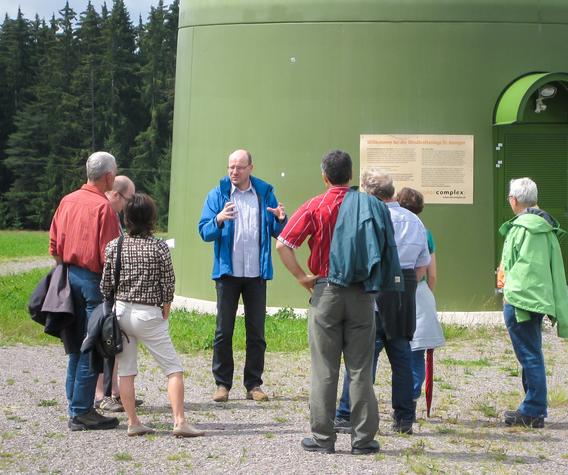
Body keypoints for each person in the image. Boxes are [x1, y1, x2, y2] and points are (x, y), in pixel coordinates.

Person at [276, 151, 401, 454]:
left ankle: (322, 438)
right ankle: (363, 439)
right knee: (360, 367)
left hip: (326, 290)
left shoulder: (315, 205)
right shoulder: (372, 204)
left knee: (324, 368)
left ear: (324, 176)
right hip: (362, 294)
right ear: (352, 174)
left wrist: (302, 277)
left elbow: (283, 244)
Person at [334, 169, 430, 435]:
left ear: (369, 194)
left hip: (374, 296)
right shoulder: (414, 221)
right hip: (403, 297)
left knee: (361, 360)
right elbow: (422, 264)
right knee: (402, 359)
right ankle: (404, 418)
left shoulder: (369, 217)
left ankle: (346, 414)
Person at [101, 193, 204, 437]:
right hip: (149, 314)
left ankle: (133, 422)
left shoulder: (114, 246)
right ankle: (179, 421)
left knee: (126, 371)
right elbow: (168, 284)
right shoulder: (159, 246)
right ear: (151, 218)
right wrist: (165, 311)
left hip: (121, 312)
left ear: (126, 217)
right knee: (173, 369)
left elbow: (105, 286)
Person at [198, 149, 287, 403]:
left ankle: (254, 385)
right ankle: (222, 385)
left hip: (256, 274)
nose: (233, 172)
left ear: (250, 168)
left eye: (239, 167)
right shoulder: (218, 195)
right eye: (230, 167)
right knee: (223, 331)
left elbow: (277, 230)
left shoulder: (264, 194)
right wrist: (219, 219)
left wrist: (281, 219)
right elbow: (204, 231)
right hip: (228, 273)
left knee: (256, 332)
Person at [49, 151, 122, 431]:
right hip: (93, 280)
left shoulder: (67, 201)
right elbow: (110, 256)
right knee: (91, 346)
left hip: (68, 276)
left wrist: (66, 274)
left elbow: (54, 247)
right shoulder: (104, 208)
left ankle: (75, 404)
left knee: (75, 343)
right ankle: (81, 411)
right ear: (108, 176)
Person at [499, 177, 568, 428]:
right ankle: (531, 406)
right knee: (532, 353)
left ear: (514, 199)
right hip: (539, 299)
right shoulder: (546, 227)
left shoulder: (519, 228)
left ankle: (533, 410)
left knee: (529, 356)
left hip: (520, 300)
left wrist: (508, 292)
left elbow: (514, 267)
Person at [395, 187, 445, 405]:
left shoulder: (390, 225)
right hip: (418, 291)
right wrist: (426, 294)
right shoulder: (425, 233)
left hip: (391, 291)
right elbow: (431, 273)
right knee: (417, 352)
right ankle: (411, 397)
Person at [96, 175, 136, 414]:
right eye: (127, 199)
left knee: (113, 341)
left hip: (112, 287)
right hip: (105, 287)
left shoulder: (114, 216)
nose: (128, 206)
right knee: (104, 339)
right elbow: (108, 254)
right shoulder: (107, 214)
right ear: (115, 194)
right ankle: (101, 394)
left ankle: (115, 392)